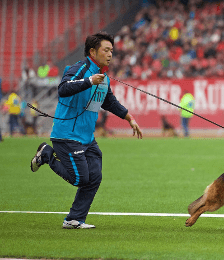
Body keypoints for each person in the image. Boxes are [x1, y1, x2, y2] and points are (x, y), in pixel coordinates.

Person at [30, 31, 143, 229]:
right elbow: (63, 89)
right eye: (106, 50)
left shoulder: (103, 76)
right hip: (67, 135)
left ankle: (74, 219)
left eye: (111, 51)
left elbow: (109, 102)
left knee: (94, 176)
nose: (110, 54)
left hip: (86, 138)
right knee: (80, 178)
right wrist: (89, 81)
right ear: (92, 51)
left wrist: (129, 118)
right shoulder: (79, 69)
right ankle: (47, 154)